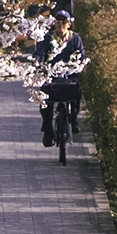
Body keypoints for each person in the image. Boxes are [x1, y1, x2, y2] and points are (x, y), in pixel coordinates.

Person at [37, 13, 86, 164]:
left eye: (63, 22)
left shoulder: (75, 38)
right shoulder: (47, 38)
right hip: (51, 75)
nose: (60, 25)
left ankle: (73, 119)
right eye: (58, 22)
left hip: (69, 74)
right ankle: (47, 129)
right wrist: (37, 62)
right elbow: (39, 53)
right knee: (45, 99)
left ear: (68, 24)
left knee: (76, 93)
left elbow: (81, 54)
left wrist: (80, 64)